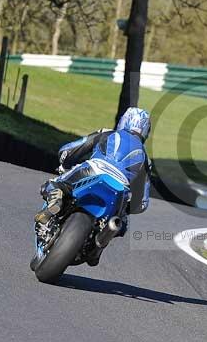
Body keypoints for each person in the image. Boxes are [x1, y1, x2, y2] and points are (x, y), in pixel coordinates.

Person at [34, 107, 152, 263]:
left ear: (124, 120)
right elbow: (142, 203)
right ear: (145, 131)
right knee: (121, 224)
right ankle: (99, 244)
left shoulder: (107, 133)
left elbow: (69, 150)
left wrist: (65, 163)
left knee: (54, 184)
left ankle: (56, 197)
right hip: (120, 189)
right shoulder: (146, 160)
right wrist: (127, 209)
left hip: (94, 170)